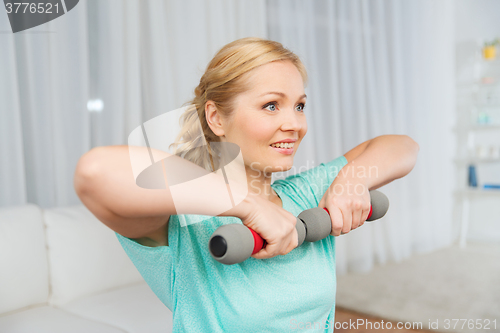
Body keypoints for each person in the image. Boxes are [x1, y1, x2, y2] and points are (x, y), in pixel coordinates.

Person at [74, 37, 419, 332]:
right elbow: (95, 171)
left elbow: (403, 147)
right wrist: (250, 206)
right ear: (216, 118)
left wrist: (350, 181)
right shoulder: (184, 223)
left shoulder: (305, 194)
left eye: (299, 106)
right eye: (271, 105)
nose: (294, 124)